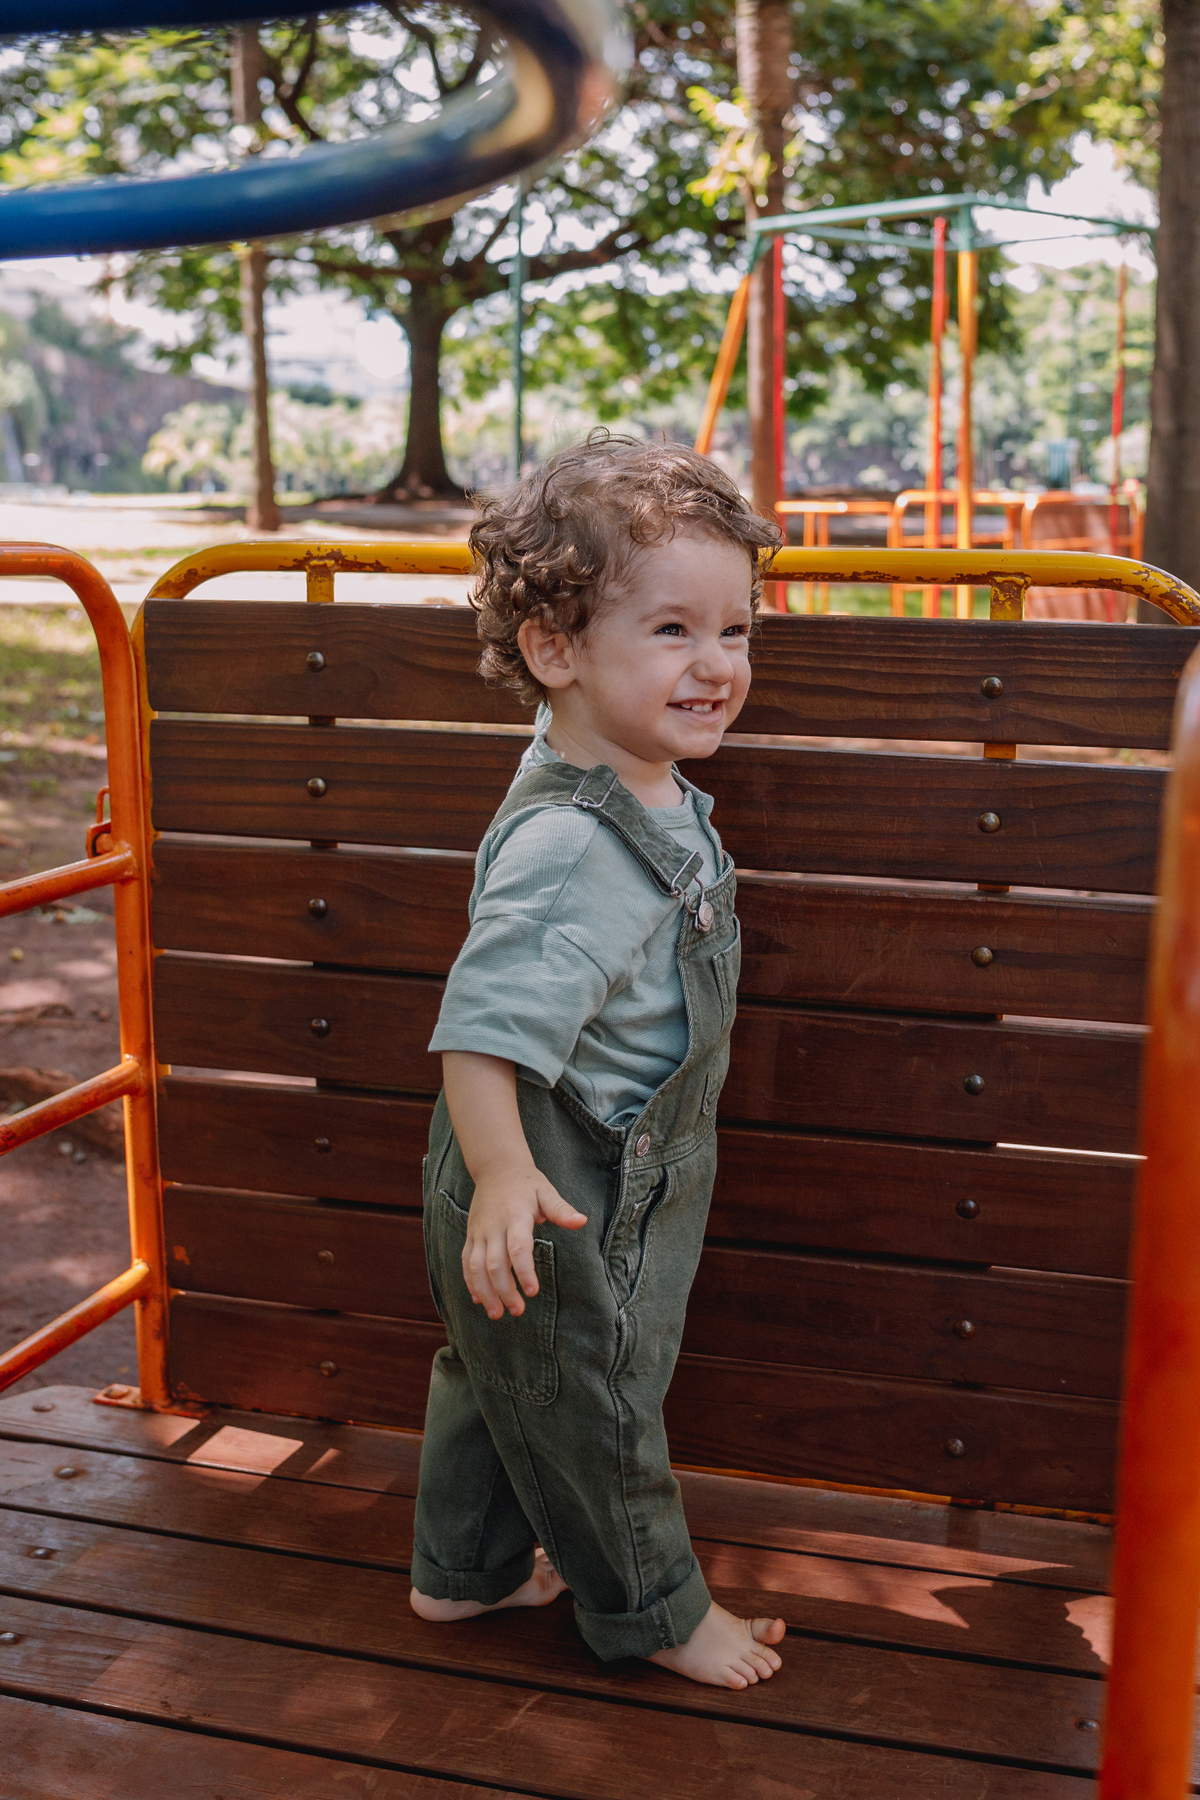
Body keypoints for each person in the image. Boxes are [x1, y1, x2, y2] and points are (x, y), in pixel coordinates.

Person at [409, 433, 786, 1690]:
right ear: (555, 650)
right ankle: (657, 1612)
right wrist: (507, 1178)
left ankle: (463, 1572)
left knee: (499, 1372)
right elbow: (482, 1027)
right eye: (673, 630)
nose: (717, 664)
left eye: (734, 630)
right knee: (597, 1393)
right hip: (558, 1184)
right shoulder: (575, 842)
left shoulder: (622, 773)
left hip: (534, 1169)